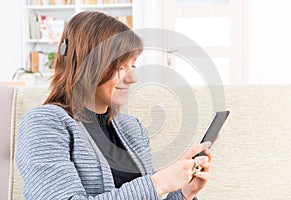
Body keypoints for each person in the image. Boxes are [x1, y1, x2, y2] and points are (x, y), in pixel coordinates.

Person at [15, 11, 212, 200]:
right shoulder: (44, 124)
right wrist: (158, 183)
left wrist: (184, 193)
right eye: (120, 67)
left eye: (132, 66)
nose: (132, 78)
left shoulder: (132, 128)